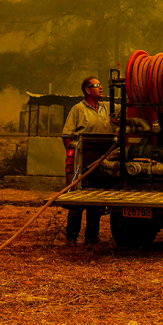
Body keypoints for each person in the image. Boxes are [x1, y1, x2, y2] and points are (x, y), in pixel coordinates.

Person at [61, 76, 113, 245]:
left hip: (103, 157)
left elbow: (131, 109)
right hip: (83, 157)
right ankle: (72, 235)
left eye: (101, 84)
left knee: (96, 198)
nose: (101, 87)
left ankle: (92, 236)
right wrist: (74, 157)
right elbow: (67, 135)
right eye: (96, 85)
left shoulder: (107, 108)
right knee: (77, 199)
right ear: (87, 90)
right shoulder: (78, 109)